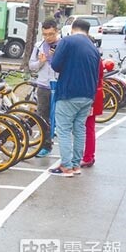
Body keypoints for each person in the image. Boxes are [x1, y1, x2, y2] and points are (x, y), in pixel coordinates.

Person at [49, 19, 101, 177]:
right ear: (87, 30)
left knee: (63, 130)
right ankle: (76, 164)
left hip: (69, 92)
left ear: (72, 28)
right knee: (80, 129)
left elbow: (56, 65)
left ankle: (66, 166)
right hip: (88, 95)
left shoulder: (67, 41)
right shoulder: (93, 48)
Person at [28, 19, 60, 158]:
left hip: (58, 85)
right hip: (43, 86)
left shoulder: (63, 44)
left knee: (60, 116)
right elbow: (31, 66)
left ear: (57, 31)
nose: (48, 37)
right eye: (45, 34)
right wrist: (41, 62)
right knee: (42, 116)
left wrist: (55, 57)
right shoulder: (39, 45)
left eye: (51, 34)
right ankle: (46, 144)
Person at [81, 58, 109, 168]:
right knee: (89, 127)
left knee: (87, 128)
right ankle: (89, 156)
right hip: (94, 94)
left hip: (89, 94)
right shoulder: (97, 58)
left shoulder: (87, 59)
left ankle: (87, 156)